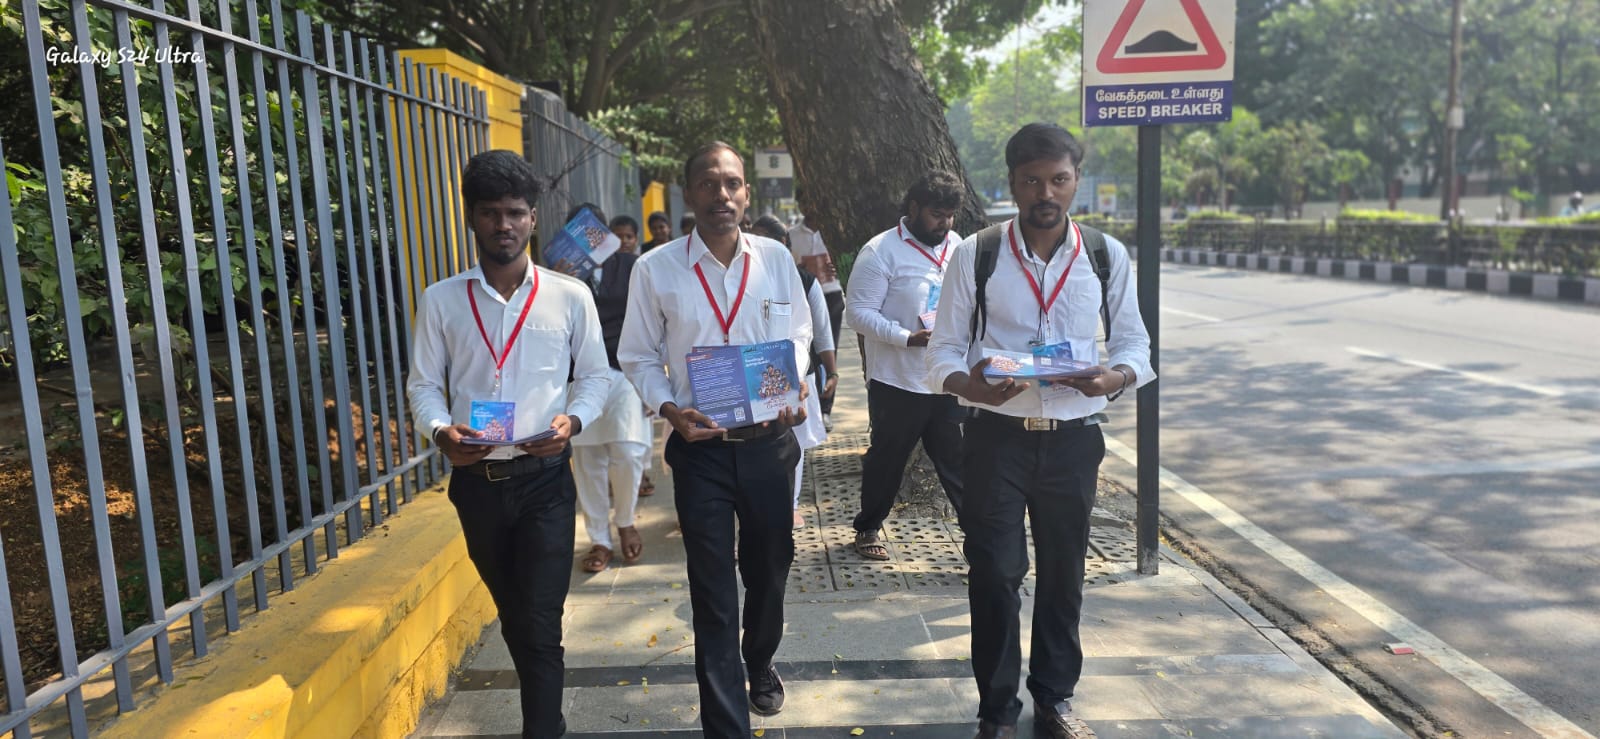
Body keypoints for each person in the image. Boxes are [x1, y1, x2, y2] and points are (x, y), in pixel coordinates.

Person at [926, 123, 1153, 739]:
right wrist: (972, 387)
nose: (1045, 193)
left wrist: (1114, 378)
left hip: (1073, 441)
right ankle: (997, 710)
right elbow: (942, 351)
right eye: (1031, 181)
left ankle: (1054, 699)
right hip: (996, 438)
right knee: (995, 572)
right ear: (1013, 183)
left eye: (1058, 179)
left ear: (1076, 180)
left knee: (1063, 572)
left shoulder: (1104, 254)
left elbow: (1134, 343)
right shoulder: (978, 253)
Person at [407, 150, 610, 738]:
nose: (504, 225)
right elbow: (424, 385)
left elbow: (595, 377)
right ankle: (550, 719)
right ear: (471, 217)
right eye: (491, 213)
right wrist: (441, 431)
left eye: (515, 212)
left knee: (541, 621)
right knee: (516, 617)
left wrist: (573, 422)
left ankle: (542, 728)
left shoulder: (570, 296)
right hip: (477, 485)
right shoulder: (441, 300)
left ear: (533, 218)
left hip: (545, 481)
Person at [618, 142, 812, 737]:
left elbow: (799, 332)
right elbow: (637, 355)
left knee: (769, 571)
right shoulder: (656, 269)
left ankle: (760, 659)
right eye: (708, 183)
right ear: (691, 193)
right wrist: (669, 409)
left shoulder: (776, 259)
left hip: (769, 444)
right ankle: (725, 725)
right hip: (700, 449)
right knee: (711, 588)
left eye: (732, 183)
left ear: (746, 192)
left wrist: (795, 381)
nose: (721, 194)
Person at [846, 171, 966, 561]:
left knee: (960, 463)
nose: (944, 224)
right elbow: (858, 313)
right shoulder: (881, 251)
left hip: (947, 378)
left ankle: (980, 537)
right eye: (936, 215)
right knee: (887, 460)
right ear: (913, 208)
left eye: (949, 215)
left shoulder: (958, 247)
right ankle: (868, 527)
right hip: (897, 381)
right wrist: (906, 337)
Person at [559, 204, 652, 573]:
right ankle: (600, 539)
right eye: (578, 232)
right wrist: (558, 283)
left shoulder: (630, 266)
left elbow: (650, 319)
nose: (587, 238)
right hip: (578, 376)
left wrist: (652, 379)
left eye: (594, 230)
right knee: (588, 461)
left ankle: (625, 520)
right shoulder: (557, 275)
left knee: (628, 451)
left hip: (622, 371)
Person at [752, 214, 837, 528]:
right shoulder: (744, 279)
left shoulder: (804, 280)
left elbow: (821, 331)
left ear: (784, 244)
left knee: (794, 440)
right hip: (756, 373)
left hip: (798, 373)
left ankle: (791, 504)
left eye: (768, 239)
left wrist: (832, 372)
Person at [788, 207, 844, 430]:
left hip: (831, 294)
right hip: (804, 293)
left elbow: (848, 260)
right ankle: (808, 404)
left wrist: (839, 266)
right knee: (807, 351)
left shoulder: (835, 233)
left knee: (829, 349)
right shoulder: (792, 235)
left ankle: (826, 408)